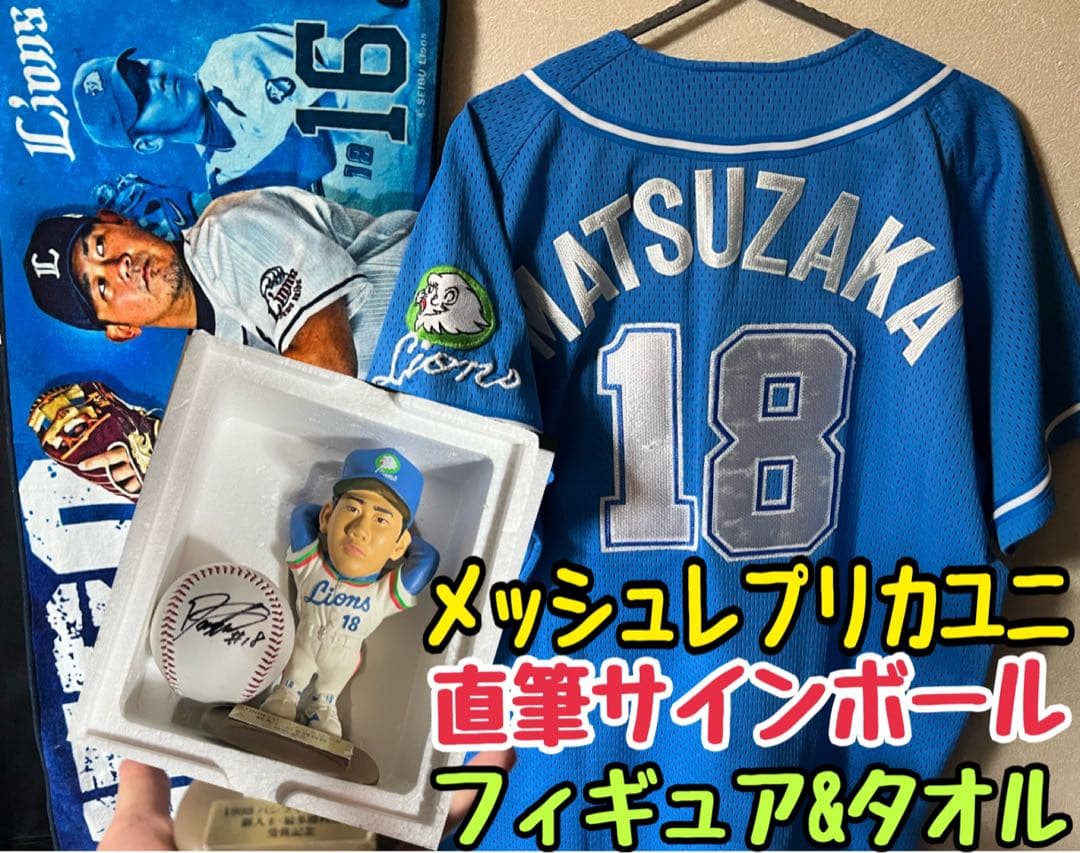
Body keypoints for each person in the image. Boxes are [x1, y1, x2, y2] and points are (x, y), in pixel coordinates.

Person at [23, 185, 415, 379]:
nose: (118, 267)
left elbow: (328, 367)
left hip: (442, 281)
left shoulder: (224, 233)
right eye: (101, 288)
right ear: (123, 329)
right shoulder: (215, 366)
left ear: (118, 221)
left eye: (99, 245)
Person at [71, 25, 408, 203]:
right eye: (141, 96)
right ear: (148, 144)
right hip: (404, 191)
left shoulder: (232, 58)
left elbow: (359, 62)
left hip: (410, 107)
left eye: (140, 69)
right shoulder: (226, 185)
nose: (155, 79)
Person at [260, 448, 437, 738]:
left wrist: (403, 543)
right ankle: (287, 692)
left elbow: (427, 559)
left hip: (342, 658)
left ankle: (323, 707)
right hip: (303, 644)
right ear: (328, 515)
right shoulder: (310, 567)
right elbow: (302, 515)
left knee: (328, 693)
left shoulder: (380, 596)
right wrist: (328, 521)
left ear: (399, 545)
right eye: (353, 509)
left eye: (381, 520)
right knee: (290, 682)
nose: (359, 529)